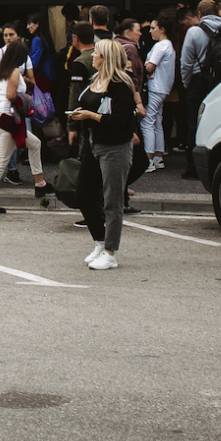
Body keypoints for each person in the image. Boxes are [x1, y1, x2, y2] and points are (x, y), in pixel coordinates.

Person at [69, 39, 137, 270]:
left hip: (115, 147)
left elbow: (120, 121)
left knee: (112, 200)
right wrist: (81, 114)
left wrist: (90, 115)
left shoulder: (121, 85)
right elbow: (88, 103)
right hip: (93, 143)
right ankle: (100, 240)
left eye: (96, 54)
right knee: (83, 195)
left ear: (106, 58)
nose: (92, 57)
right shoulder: (96, 80)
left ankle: (110, 252)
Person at [0, 41, 48, 213]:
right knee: (1, 162)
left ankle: (40, 183)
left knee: (35, 143)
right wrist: (26, 100)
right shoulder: (15, 71)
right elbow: (11, 95)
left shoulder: (1, 72)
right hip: (9, 120)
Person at [176, 0, 221, 180]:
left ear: (200, 14)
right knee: (220, 123)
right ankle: (218, 165)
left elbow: (186, 62)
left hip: (198, 82)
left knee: (194, 124)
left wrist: (186, 83)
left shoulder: (194, 32)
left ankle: (193, 168)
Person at [142, 11, 176, 171]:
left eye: (153, 28)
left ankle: (148, 159)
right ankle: (158, 157)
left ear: (162, 29)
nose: (150, 31)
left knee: (148, 121)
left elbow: (150, 67)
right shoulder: (169, 45)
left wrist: (145, 62)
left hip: (155, 86)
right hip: (163, 87)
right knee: (157, 122)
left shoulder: (161, 46)